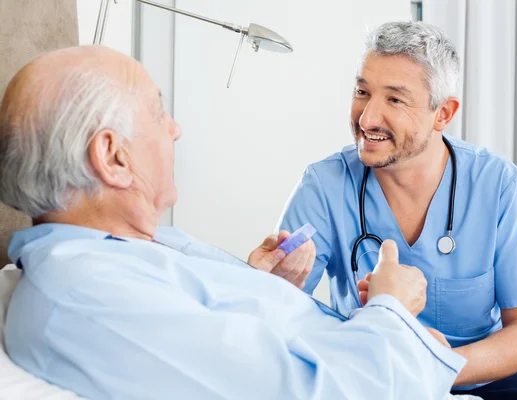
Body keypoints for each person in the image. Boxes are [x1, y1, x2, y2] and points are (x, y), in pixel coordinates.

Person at [0, 45, 473, 400]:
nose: (175, 128)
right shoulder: (86, 297)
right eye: (157, 112)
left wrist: (263, 286)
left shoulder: (132, 247)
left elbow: (232, 341)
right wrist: (392, 310)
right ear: (112, 156)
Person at [276, 21, 517, 399]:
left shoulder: (496, 184)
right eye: (363, 91)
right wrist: (274, 283)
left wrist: (439, 366)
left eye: (394, 99)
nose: (367, 118)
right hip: (370, 378)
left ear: (443, 113)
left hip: (478, 373)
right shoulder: (324, 185)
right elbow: (277, 316)